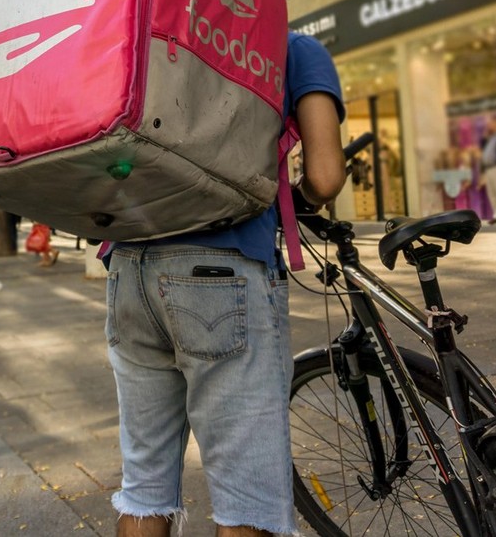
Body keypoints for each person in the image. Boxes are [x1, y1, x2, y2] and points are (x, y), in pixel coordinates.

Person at [105, 32, 346, 537]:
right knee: (247, 500)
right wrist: (295, 198)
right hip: (223, 271)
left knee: (144, 488)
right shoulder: (292, 48)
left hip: (130, 267)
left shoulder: (150, 38)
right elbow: (325, 177)